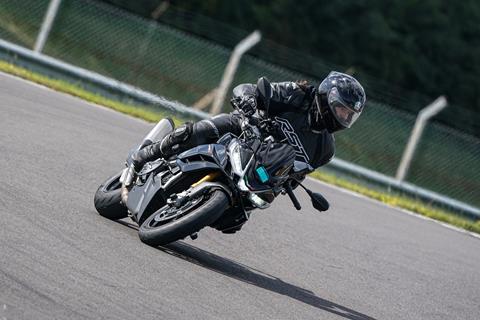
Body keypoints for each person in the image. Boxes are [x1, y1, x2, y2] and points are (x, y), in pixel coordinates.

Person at [132, 71, 366, 172]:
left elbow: (296, 175)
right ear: (327, 97)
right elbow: (249, 89)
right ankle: (147, 154)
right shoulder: (298, 94)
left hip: (257, 167)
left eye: (349, 115)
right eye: (341, 110)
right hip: (241, 131)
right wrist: (248, 104)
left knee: (235, 220)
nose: (343, 117)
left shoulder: (324, 149)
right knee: (193, 133)